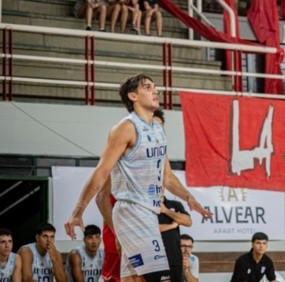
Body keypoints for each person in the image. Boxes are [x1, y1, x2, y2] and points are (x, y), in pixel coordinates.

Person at [64, 74, 213, 282]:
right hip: (131, 211)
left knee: (134, 278)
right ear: (133, 96)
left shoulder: (158, 129)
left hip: (149, 212)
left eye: (155, 87)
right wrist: (78, 210)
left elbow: (167, 176)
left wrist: (189, 198)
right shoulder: (126, 128)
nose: (156, 91)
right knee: (159, 277)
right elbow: (101, 172)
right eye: (148, 87)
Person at [158, 198, 192, 282]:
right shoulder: (146, 205)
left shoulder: (175, 204)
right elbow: (148, 228)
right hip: (156, 257)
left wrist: (165, 210)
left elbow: (188, 222)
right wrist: (172, 226)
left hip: (175, 259)